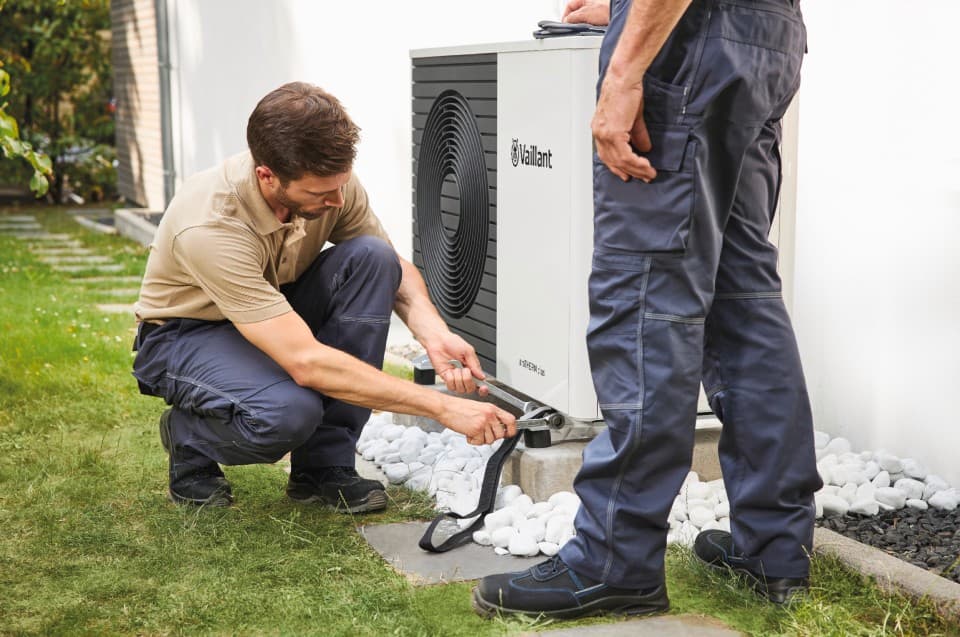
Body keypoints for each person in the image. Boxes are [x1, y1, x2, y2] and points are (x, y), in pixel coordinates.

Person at [473, 0, 821, 619]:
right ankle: (775, 548)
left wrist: (627, 66)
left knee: (643, 301)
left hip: (688, 52)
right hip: (766, 34)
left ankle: (613, 561)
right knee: (745, 301)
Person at [133, 82, 516, 512]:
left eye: (341, 185)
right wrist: (441, 408)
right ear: (267, 176)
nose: (337, 201)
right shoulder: (211, 225)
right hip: (187, 335)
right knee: (286, 414)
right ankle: (189, 437)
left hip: (273, 311)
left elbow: (393, 267)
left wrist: (434, 333)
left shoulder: (331, 184)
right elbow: (305, 361)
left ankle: (323, 468)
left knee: (372, 259)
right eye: (320, 194)